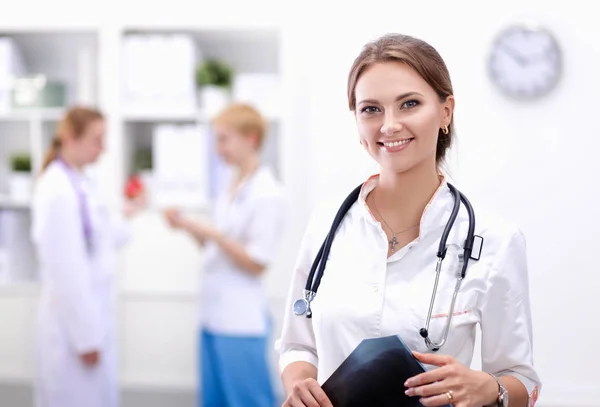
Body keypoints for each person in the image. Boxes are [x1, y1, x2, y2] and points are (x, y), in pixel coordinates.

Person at [275, 33, 541, 407]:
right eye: (371, 109)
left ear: (446, 111)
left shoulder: (494, 239)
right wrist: (300, 383)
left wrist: (490, 389)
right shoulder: (326, 225)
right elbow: (297, 344)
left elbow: (523, 381)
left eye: (409, 104)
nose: (389, 125)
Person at [164, 103, 286, 407]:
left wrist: (213, 233)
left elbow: (256, 263)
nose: (218, 148)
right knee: (215, 400)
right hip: (213, 315)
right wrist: (188, 227)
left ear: (251, 139)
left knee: (248, 400)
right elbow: (214, 248)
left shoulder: (267, 193)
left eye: (224, 139)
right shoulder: (230, 185)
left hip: (239, 320)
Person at [31, 106, 144, 407]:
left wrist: (128, 214)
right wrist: (86, 337)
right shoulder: (57, 190)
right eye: (97, 139)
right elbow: (65, 270)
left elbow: (98, 241)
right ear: (70, 138)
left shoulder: (81, 182)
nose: (103, 149)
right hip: (71, 330)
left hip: (93, 312)